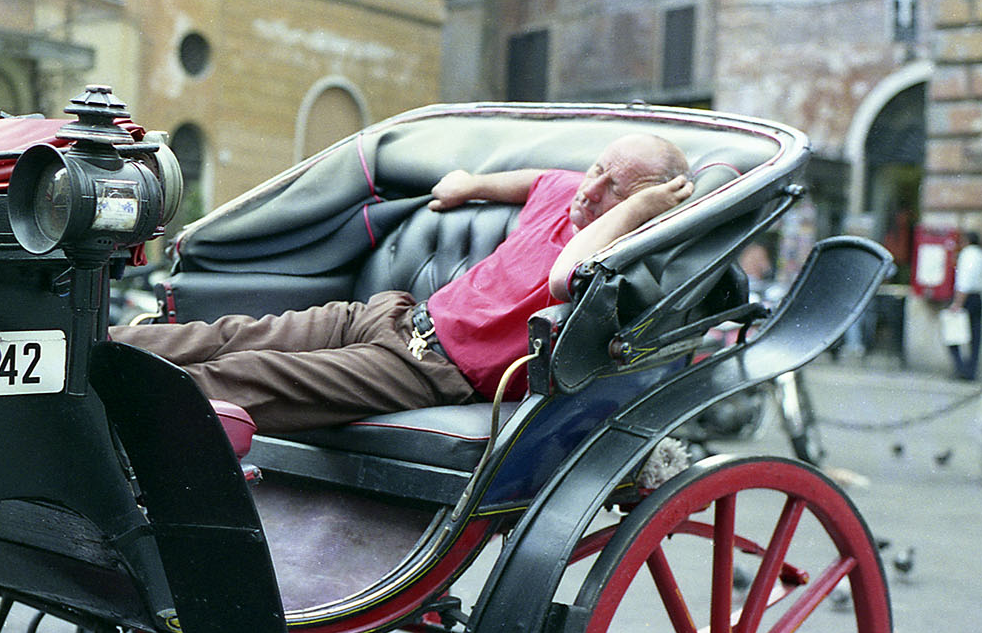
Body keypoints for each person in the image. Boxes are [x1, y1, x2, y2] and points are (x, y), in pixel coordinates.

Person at [111, 133, 692, 433]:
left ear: (643, 205)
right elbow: (531, 179)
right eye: (597, 169)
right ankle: (80, 360)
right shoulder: (567, 191)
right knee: (222, 336)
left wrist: (642, 210)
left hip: (432, 373)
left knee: (243, 376)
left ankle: (103, 417)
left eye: (618, 187)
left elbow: (568, 274)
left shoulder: (613, 250)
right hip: (391, 314)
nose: (592, 191)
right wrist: (466, 184)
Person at [948, 230, 982, 381]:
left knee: (953, 335)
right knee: (975, 336)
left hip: (965, 297)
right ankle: (971, 370)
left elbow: (964, 281)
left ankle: (962, 368)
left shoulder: (967, 254)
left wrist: (957, 303)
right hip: (978, 297)